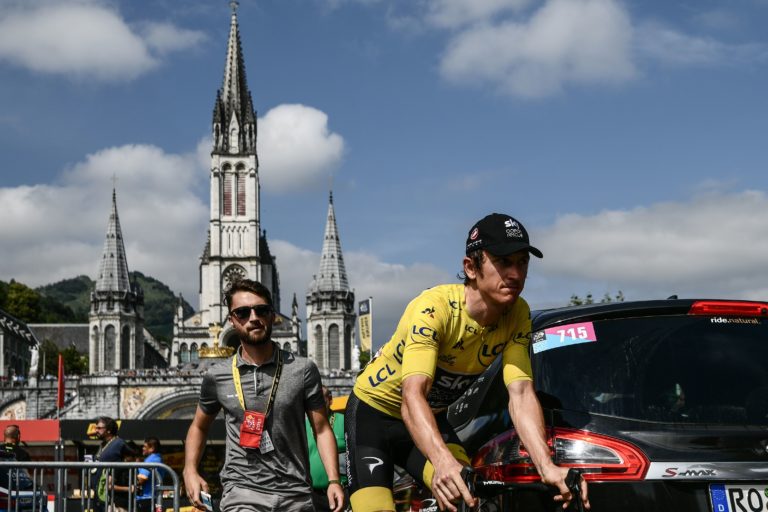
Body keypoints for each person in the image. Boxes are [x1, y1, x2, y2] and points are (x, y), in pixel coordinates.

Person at [345, 213, 591, 512]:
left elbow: (522, 394)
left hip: (429, 417)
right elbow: (412, 396)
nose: (515, 274)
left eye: (522, 262)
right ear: (470, 267)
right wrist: (442, 461)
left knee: (465, 494)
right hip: (374, 413)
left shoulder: (518, 314)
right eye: (503, 262)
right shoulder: (434, 308)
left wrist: (547, 467)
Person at [183, 279, 345, 512]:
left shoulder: (303, 369)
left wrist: (333, 480)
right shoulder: (217, 375)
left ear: (272, 315)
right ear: (231, 320)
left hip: (295, 493)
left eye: (261, 310)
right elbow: (199, 426)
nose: (253, 317)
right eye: (242, 312)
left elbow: (321, 429)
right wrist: (190, 469)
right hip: (242, 492)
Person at [306, 386, 347, 511]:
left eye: (320, 400)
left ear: (330, 400)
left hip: (341, 491)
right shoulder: (302, 423)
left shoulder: (344, 421)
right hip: (310, 494)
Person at [92, 417, 130, 510]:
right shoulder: (103, 444)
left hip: (113, 499)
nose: (96, 430)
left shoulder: (118, 443)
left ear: (108, 430)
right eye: (96, 428)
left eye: (99, 428)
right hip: (100, 496)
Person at [136, 437, 165, 511]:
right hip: (153, 497)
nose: (142, 448)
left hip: (147, 498)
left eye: (145, 446)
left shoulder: (151, 460)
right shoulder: (159, 458)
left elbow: (141, 479)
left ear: (152, 448)